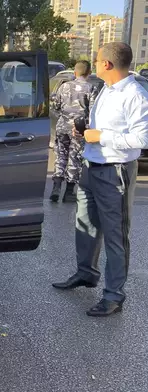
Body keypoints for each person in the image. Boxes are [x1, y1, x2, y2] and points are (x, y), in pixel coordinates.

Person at [52, 42, 148, 317]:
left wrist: (101, 136)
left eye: (96, 61)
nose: (93, 65)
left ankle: (114, 296)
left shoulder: (135, 95)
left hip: (115, 171)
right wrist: (87, 132)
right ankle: (86, 273)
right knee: (86, 223)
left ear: (106, 64)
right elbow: (105, 129)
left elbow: (142, 139)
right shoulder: (106, 88)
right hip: (91, 166)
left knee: (116, 235)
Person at [49, 60, 99, 203]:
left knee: (60, 156)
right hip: (79, 129)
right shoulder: (91, 88)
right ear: (89, 73)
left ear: (75, 72)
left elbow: (56, 106)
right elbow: (94, 112)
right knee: (74, 158)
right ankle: (69, 192)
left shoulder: (64, 87)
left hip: (62, 127)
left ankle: (56, 188)